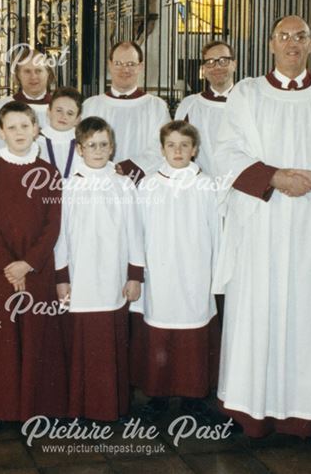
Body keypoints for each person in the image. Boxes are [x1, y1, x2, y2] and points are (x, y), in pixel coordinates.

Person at [214, 15, 311, 438]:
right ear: (271, 43)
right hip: (263, 219)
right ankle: (250, 409)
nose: (293, 43)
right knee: (258, 308)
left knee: (309, 312)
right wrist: (273, 177)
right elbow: (226, 151)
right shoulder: (247, 92)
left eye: (301, 37)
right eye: (284, 36)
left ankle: (303, 412)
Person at [0, 101, 65, 434]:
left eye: (25, 126)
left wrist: (28, 264)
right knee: (0, 337)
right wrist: (9, 264)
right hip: (0, 268)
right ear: (0, 132)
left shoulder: (49, 173)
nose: (19, 133)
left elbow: (53, 225)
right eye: (12, 127)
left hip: (36, 268)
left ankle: (38, 407)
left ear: (36, 128)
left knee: (37, 334)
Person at [128, 121, 220, 423]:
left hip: (195, 271)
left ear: (195, 149)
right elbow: (137, 230)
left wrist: (215, 272)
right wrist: (139, 270)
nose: (178, 151)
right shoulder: (149, 184)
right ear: (161, 149)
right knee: (159, 329)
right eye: (171, 145)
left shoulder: (206, 184)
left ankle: (193, 397)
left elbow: (216, 232)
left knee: (193, 329)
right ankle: (158, 396)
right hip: (159, 272)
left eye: (184, 145)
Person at [54, 116, 137, 422]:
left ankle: (112, 407)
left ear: (112, 147)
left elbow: (134, 232)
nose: (99, 150)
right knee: (81, 344)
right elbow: (60, 236)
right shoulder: (68, 186)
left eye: (104, 144)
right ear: (79, 148)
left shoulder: (124, 185)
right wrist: (61, 278)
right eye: (92, 145)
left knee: (111, 342)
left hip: (113, 278)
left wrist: (134, 275)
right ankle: (80, 408)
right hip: (80, 278)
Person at [82, 41, 171, 181]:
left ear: (140, 66)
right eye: (118, 63)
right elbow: (82, 144)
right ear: (109, 65)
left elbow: (162, 145)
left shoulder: (157, 107)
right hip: (99, 181)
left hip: (142, 183)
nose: (124, 70)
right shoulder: (91, 105)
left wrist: (132, 167)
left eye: (131, 64)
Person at [175, 40, 237, 175]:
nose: (217, 67)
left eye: (223, 60)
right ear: (203, 69)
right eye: (210, 62)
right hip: (200, 185)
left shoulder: (247, 102)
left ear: (234, 64)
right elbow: (177, 147)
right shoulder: (190, 105)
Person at [0, 46, 54, 149]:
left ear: (48, 73)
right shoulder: (3, 105)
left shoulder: (59, 108)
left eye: (39, 71)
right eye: (27, 71)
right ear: (18, 75)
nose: (33, 77)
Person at [36, 88, 83, 180]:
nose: (63, 116)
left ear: (77, 119)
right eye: (59, 110)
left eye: (70, 113)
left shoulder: (83, 143)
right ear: (48, 112)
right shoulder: (36, 142)